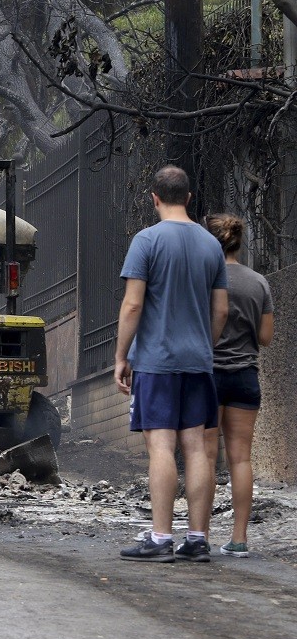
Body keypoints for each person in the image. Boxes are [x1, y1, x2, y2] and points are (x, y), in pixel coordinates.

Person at [115, 166, 228, 563]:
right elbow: (221, 309)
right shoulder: (212, 245)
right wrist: (203, 346)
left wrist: (120, 356)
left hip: (157, 362)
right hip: (198, 362)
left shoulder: (146, 241)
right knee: (197, 447)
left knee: (161, 445)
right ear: (190, 197)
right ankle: (197, 539)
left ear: (154, 198)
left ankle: (161, 537)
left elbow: (133, 304)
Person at [203, 214, 274, 558]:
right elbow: (266, 337)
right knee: (240, 459)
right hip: (246, 377)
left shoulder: (205, 280)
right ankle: (239, 538)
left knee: (204, 456)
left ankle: (198, 534)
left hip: (210, 375)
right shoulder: (259, 283)